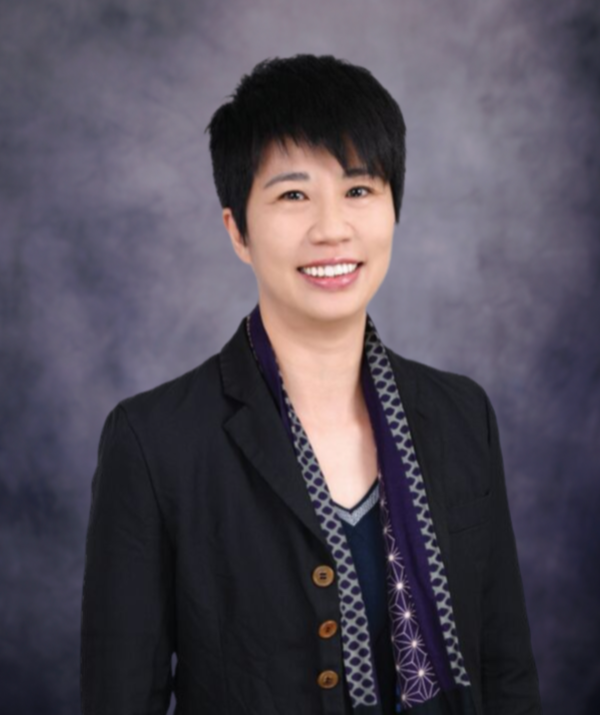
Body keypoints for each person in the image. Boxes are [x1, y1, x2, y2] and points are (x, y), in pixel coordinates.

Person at [80, 54, 542, 715]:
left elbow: (507, 675)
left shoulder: (462, 415)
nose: (332, 229)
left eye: (359, 190)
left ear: (394, 208)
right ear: (237, 230)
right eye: (293, 195)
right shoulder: (154, 442)